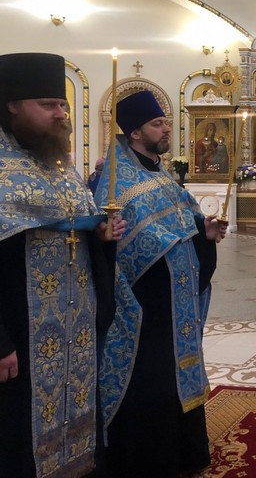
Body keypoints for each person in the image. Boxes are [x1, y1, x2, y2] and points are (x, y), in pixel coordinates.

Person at [0, 52, 123, 478]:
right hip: (18, 334)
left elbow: (80, 231)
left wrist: (101, 238)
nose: (60, 113)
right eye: (48, 104)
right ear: (12, 105)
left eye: (62, 104)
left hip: (75, 330)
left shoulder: (61, 168)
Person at [94, 90, 227, 477]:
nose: (166, 128)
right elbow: (112, 245)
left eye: (166, 122)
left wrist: (204, 232)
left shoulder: (160, 173)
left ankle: (185, 453)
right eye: (157, 124)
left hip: (175, 302)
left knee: (176, 376)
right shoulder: (115, 184)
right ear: (135, 132)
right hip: (142, 309)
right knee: (150, 383)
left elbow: (182, 224)